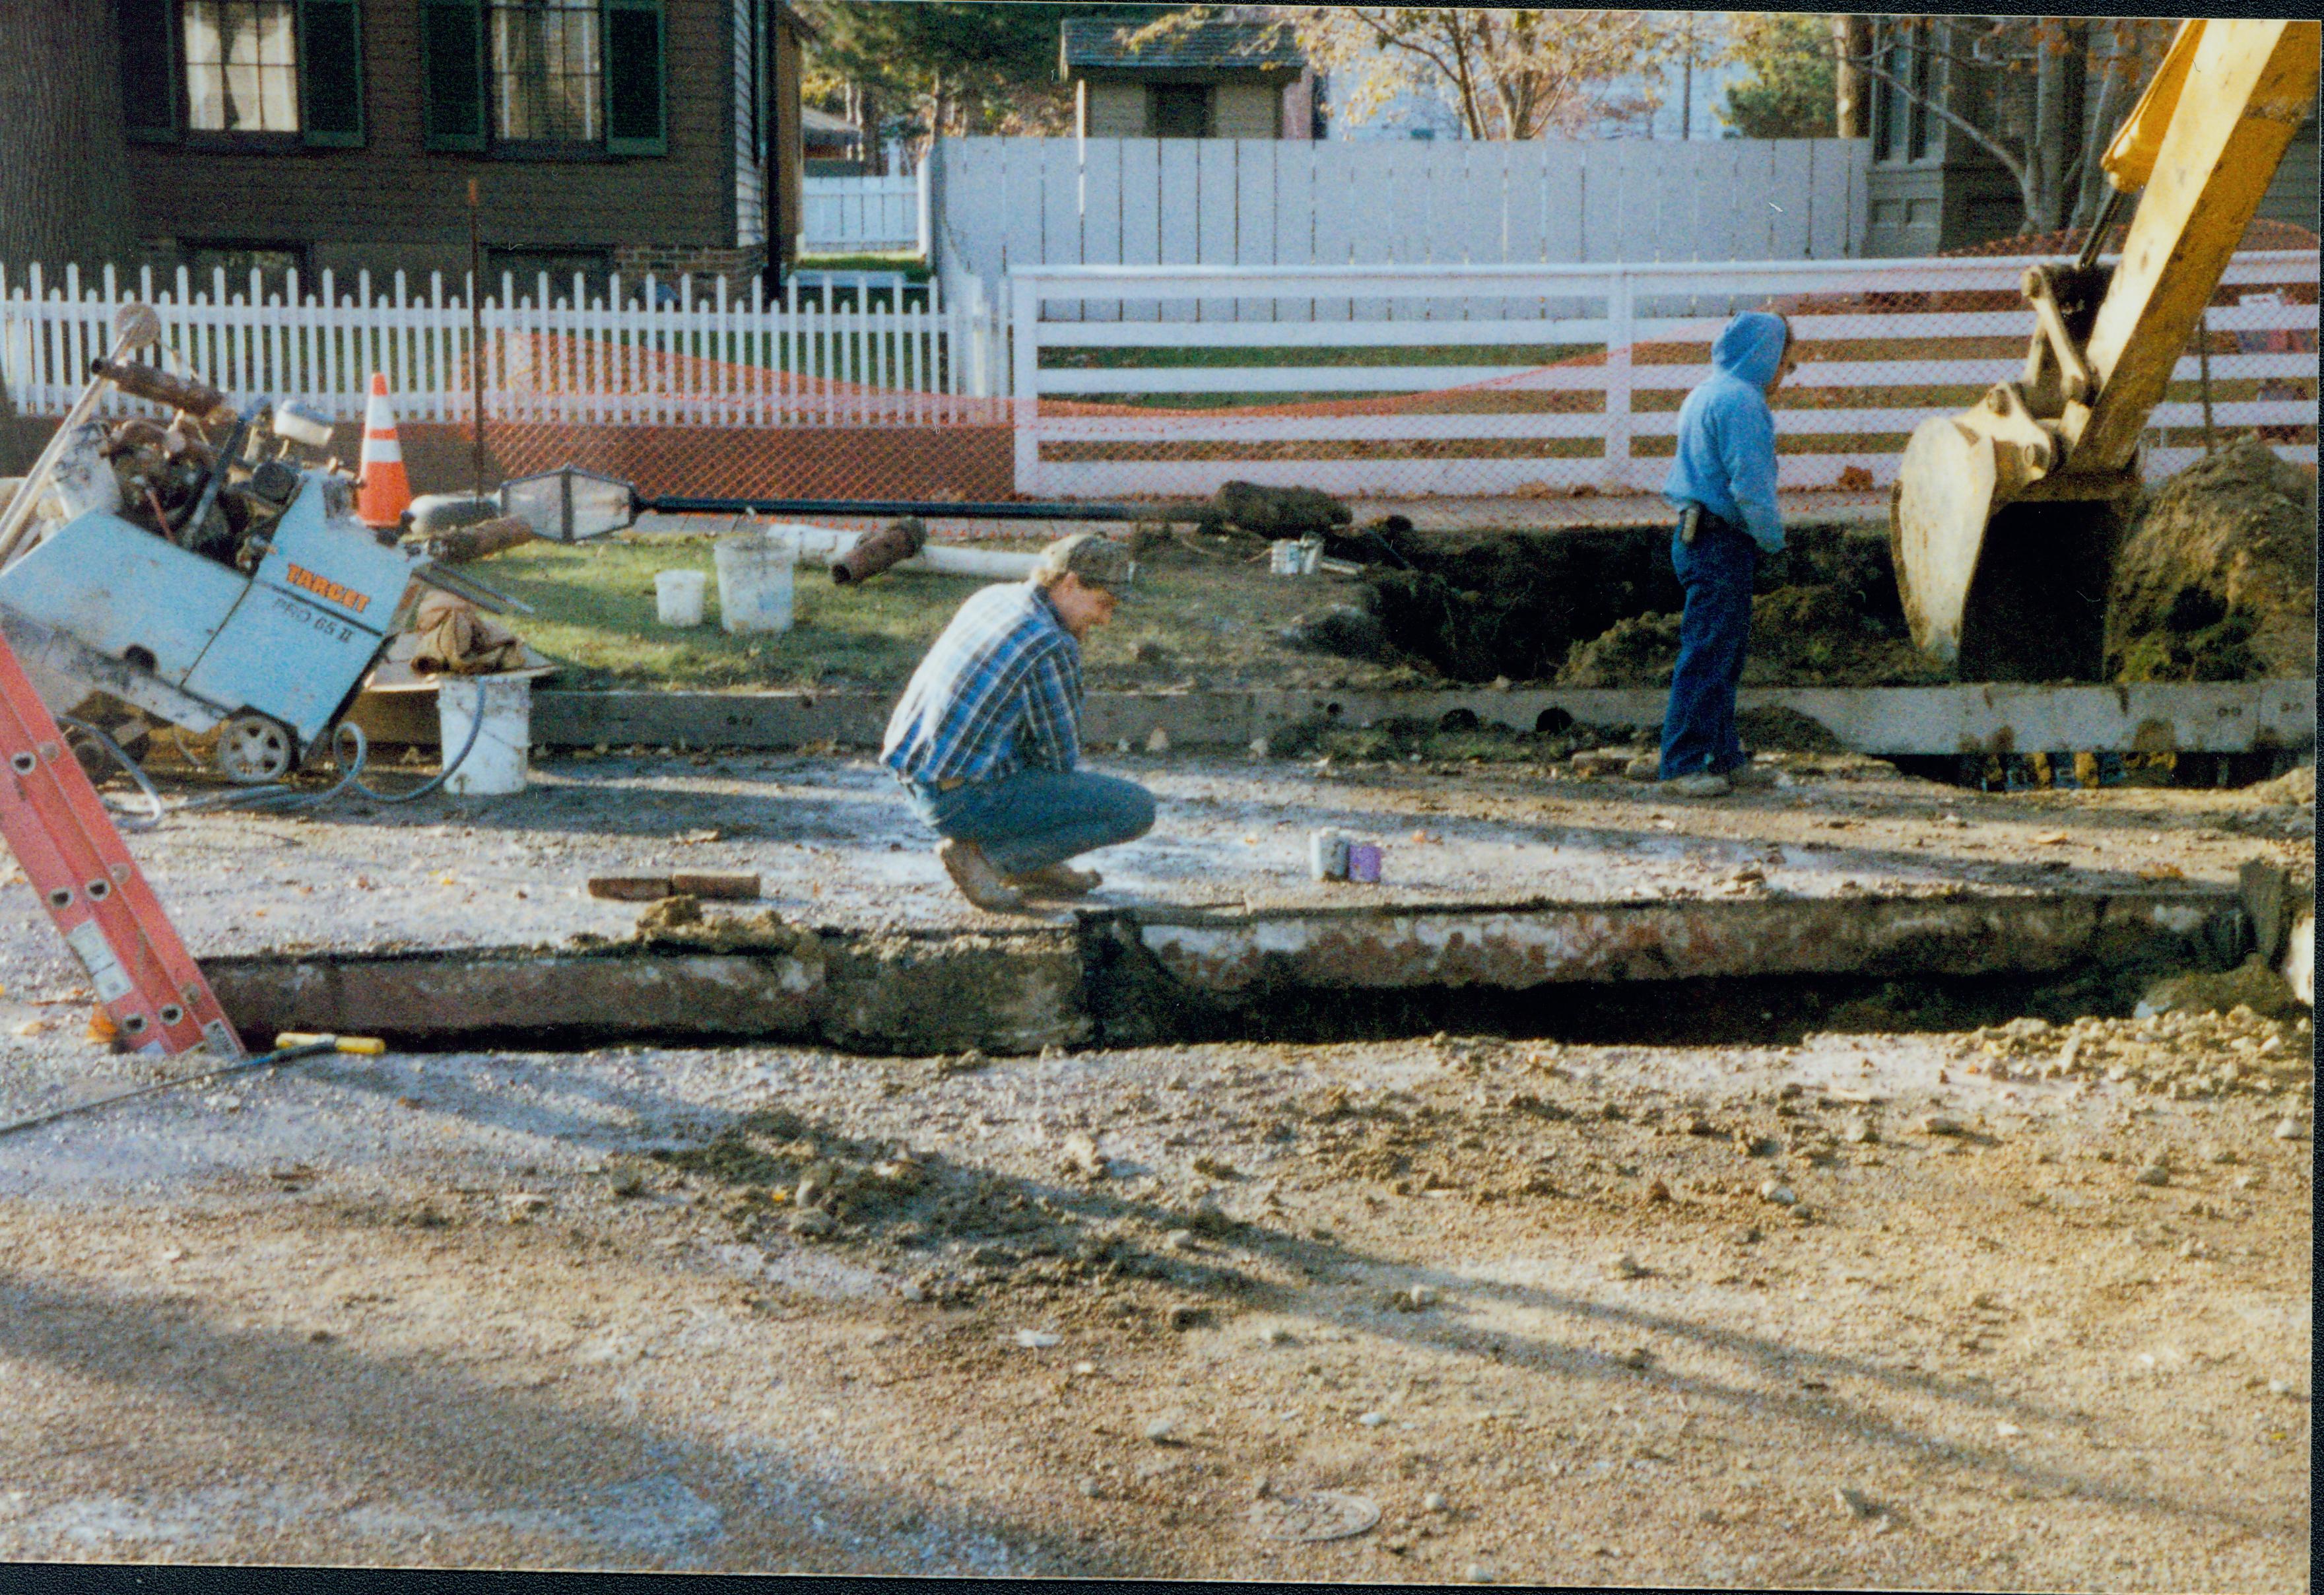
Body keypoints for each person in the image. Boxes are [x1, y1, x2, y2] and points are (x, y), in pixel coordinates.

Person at [882, 531, 1155, 911]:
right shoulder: (1050, 642)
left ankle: (1033, 864)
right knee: (1134, 809)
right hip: (961, 799)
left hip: (917, 780)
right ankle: (991, 863)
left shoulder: (994, 597)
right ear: (1071, 583)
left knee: (1036, 760)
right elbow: (1059, 761)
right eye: (1102, 603)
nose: (1106, 619)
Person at [1638, 310, 1797, 798]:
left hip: (1695, 536)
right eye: (1786, 363)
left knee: (1720, 655)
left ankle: (1724, 758)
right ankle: (1681, 764)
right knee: (1709, 655)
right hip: (1719, 540)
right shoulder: (1743, 404)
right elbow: (1750, 487)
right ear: (1765, 355)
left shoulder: (1706, 392)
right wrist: (1774, 540)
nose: (1785, 375)